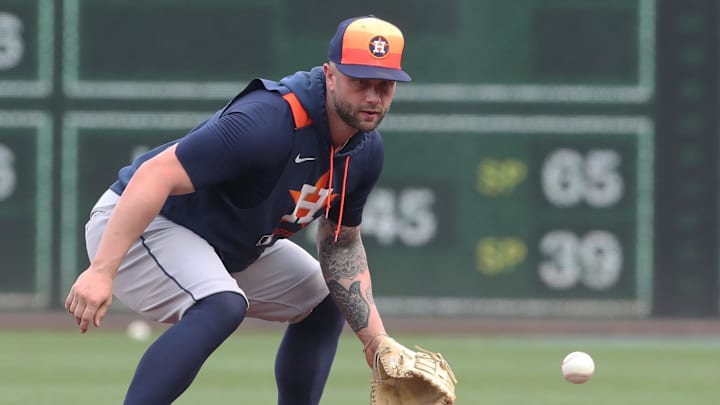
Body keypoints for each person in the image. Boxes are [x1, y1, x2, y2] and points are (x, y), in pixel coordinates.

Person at [64, 15, 412, 405]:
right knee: (223, 304)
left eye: (384, 85)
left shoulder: (364, 151)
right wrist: (101, 270)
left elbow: (341, 246)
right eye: (359, 81)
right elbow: (154, 175)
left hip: (226, 245)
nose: (372, 96)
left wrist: (375, 340)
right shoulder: (268, 121)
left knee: (325, 297)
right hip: (144, 224)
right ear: (330, 76)